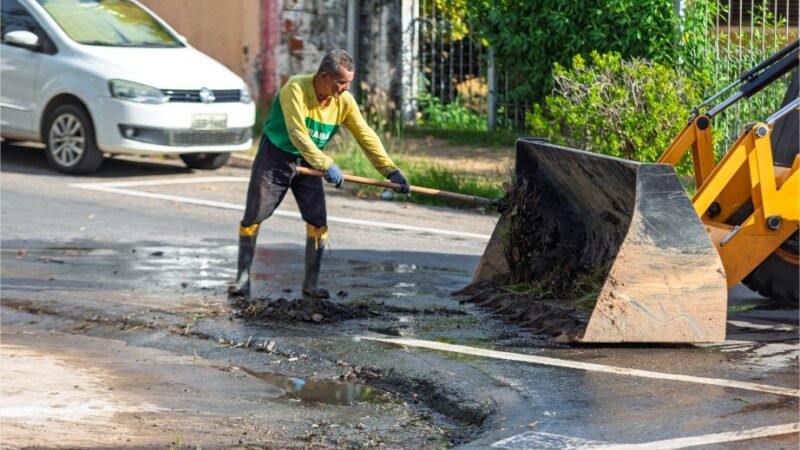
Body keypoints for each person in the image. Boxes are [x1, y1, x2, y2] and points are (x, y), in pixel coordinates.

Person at [229, 49, 410, 298]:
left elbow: (366, 135)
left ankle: (311, 285)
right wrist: (326, 164)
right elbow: (297, 134)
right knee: (255, 215)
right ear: (324, 76)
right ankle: (242, 278)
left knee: (318, 222)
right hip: (276, 157)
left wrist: (390, 170)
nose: (346, 88)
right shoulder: (295, 89)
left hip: (310, 163)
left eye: (349, 83)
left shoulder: (344, 102)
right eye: (342, 82)